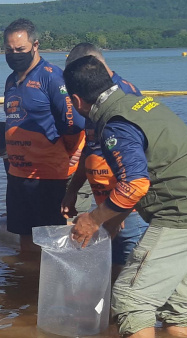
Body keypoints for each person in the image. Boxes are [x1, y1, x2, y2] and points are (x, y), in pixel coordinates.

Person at [63, 56, 187, 338]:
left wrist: (93, 219)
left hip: (185, 215)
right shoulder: (140, 103)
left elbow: (135, 184)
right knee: (177, 303)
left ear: (77, 100)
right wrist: (115, 217)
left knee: (130, 300)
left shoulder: (115, 123)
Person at [61, 43, 148, 277]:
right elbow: (91, 150)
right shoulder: (94, 101)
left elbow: (134, 168)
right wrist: (73, 189)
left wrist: (117, 211)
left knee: (130, 276)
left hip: (125, 207)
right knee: (109, 271)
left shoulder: (123, 97)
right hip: (105, 204)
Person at [2, 18, 85, 252]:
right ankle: (27, 283)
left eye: (21, 49)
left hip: (48, 176)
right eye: (9, 50)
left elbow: (74, 123)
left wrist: (70, 152)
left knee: (52, 241)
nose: (14, 54)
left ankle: (49, 286)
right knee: (24, 238)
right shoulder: (11, 80)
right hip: (18, 173)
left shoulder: (52, 77)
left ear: (35, 46)